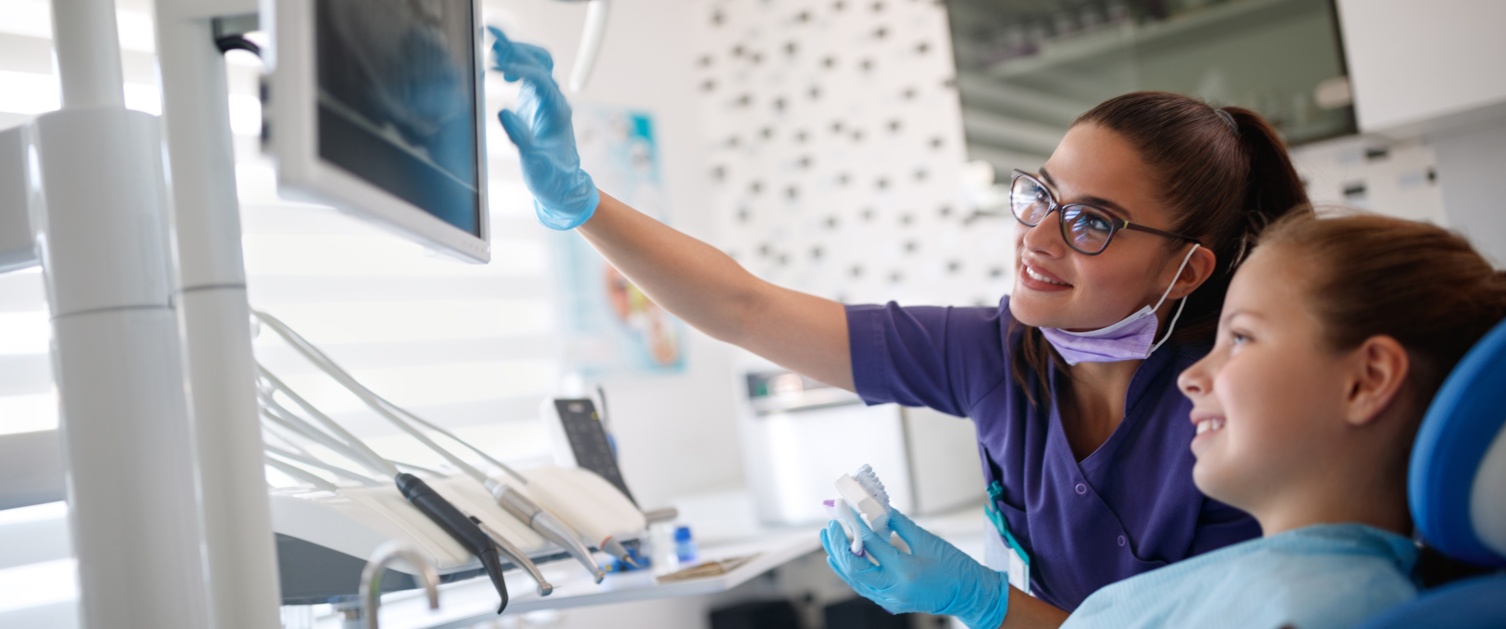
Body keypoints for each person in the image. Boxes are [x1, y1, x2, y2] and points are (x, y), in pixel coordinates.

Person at [489, 27, 1308, 623]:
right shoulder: (1001, 351)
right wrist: (582, 204)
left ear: (1187, 269)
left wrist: (983, 603)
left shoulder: (1226, 407)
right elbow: (749, 308)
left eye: (1091, 222)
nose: (1039, 237)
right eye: (1041, 195)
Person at [827, 212, 1506, 628]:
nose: (1190, 376)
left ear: (1367, 379)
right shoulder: (1272, 580)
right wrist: (976, 599)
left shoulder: (1322, 606)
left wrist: (980, 600)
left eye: (1240, 337)